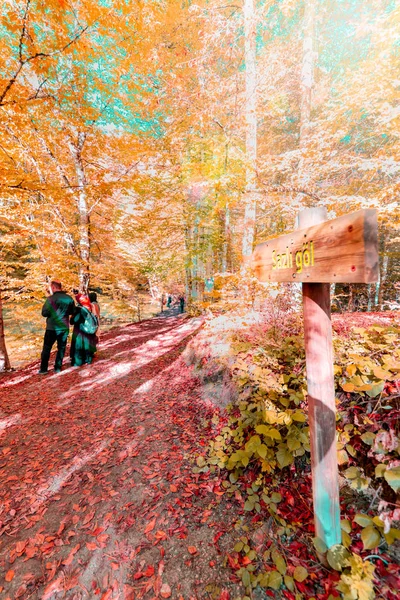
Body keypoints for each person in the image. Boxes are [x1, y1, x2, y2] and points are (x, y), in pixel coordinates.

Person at [39, 280, 75, 374]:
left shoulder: (50, 299)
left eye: (51, 288)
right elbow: (72, 312)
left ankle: (43, 369)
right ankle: (57, 367)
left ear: (54, 287)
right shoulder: (69, 298)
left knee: (47, 348)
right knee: (61, 348)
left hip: (52, 327)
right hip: (63, 327)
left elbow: (44, 313)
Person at [70, 294, 98, 367]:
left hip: (79, 330)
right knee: (86, 345)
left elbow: (73, 321)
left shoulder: (79, 309)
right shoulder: (89, 307)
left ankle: (78, 362)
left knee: (78, 346)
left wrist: (72, 317)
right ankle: (88, 359)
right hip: (88, 331)